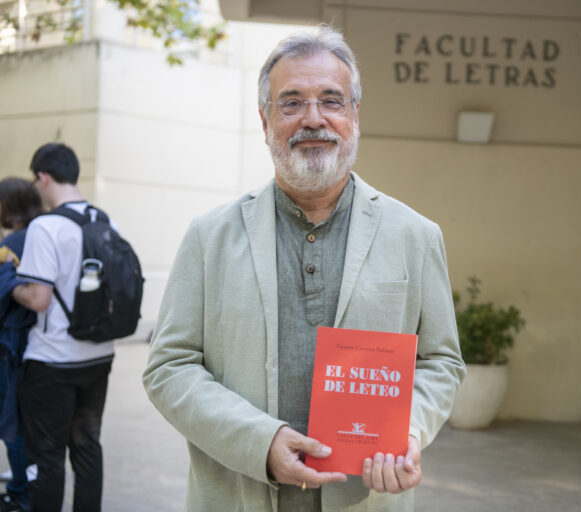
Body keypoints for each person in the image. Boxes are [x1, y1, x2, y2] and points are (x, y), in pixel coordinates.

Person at [143, 25, 465, 512]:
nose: (313, 119)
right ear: (264, 119)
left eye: (331, 101)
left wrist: (408, 430)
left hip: (367, 497)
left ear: (355, 114)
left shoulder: (415, 236)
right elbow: (169, 366)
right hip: (238, 496)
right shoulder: (210, 236)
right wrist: (260, 442)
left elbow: (441, 363)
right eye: (291, 103)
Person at [12, 143, 115, 511]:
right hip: (99, 356)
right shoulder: (105, 220)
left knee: (47, 456)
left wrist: (13, 283)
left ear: (43, 177)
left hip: (52, 361)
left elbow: (38, 299)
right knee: (88, 449)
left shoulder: (45, 226)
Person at [0, 177, 43, 512]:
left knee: (11, 423)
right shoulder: (44, 233)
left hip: (11, 343)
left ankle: (20, 494)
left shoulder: (13, 241)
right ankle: (24, 486)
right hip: (41, 344)